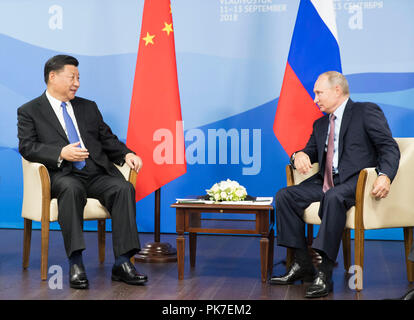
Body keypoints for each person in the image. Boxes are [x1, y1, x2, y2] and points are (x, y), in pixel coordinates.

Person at [17, 55, 148, 289]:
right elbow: (27, 147)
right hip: (60, 175)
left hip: (94, 173)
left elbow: (107, 138)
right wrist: (60, 152)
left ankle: (122, 262)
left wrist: (126, 154)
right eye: (72, 77)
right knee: (71, 188)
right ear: (52, 77)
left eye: (79, 78)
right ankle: (76, 263)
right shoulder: (30, 111)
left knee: (123, 188)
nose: (77, 83)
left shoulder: (88, 107)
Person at [270, 71, 400, 298]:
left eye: (319, 93)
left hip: (357, 181)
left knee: (333, 197)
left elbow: (389, 147)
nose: (315, 99)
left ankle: (324, 272)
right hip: (326, 181)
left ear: (337, 90)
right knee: (284, 196)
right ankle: (302, 263)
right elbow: (309, 152)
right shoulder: (321, 123)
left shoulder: (365, 111)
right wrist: (297, 155)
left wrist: (385, 175)